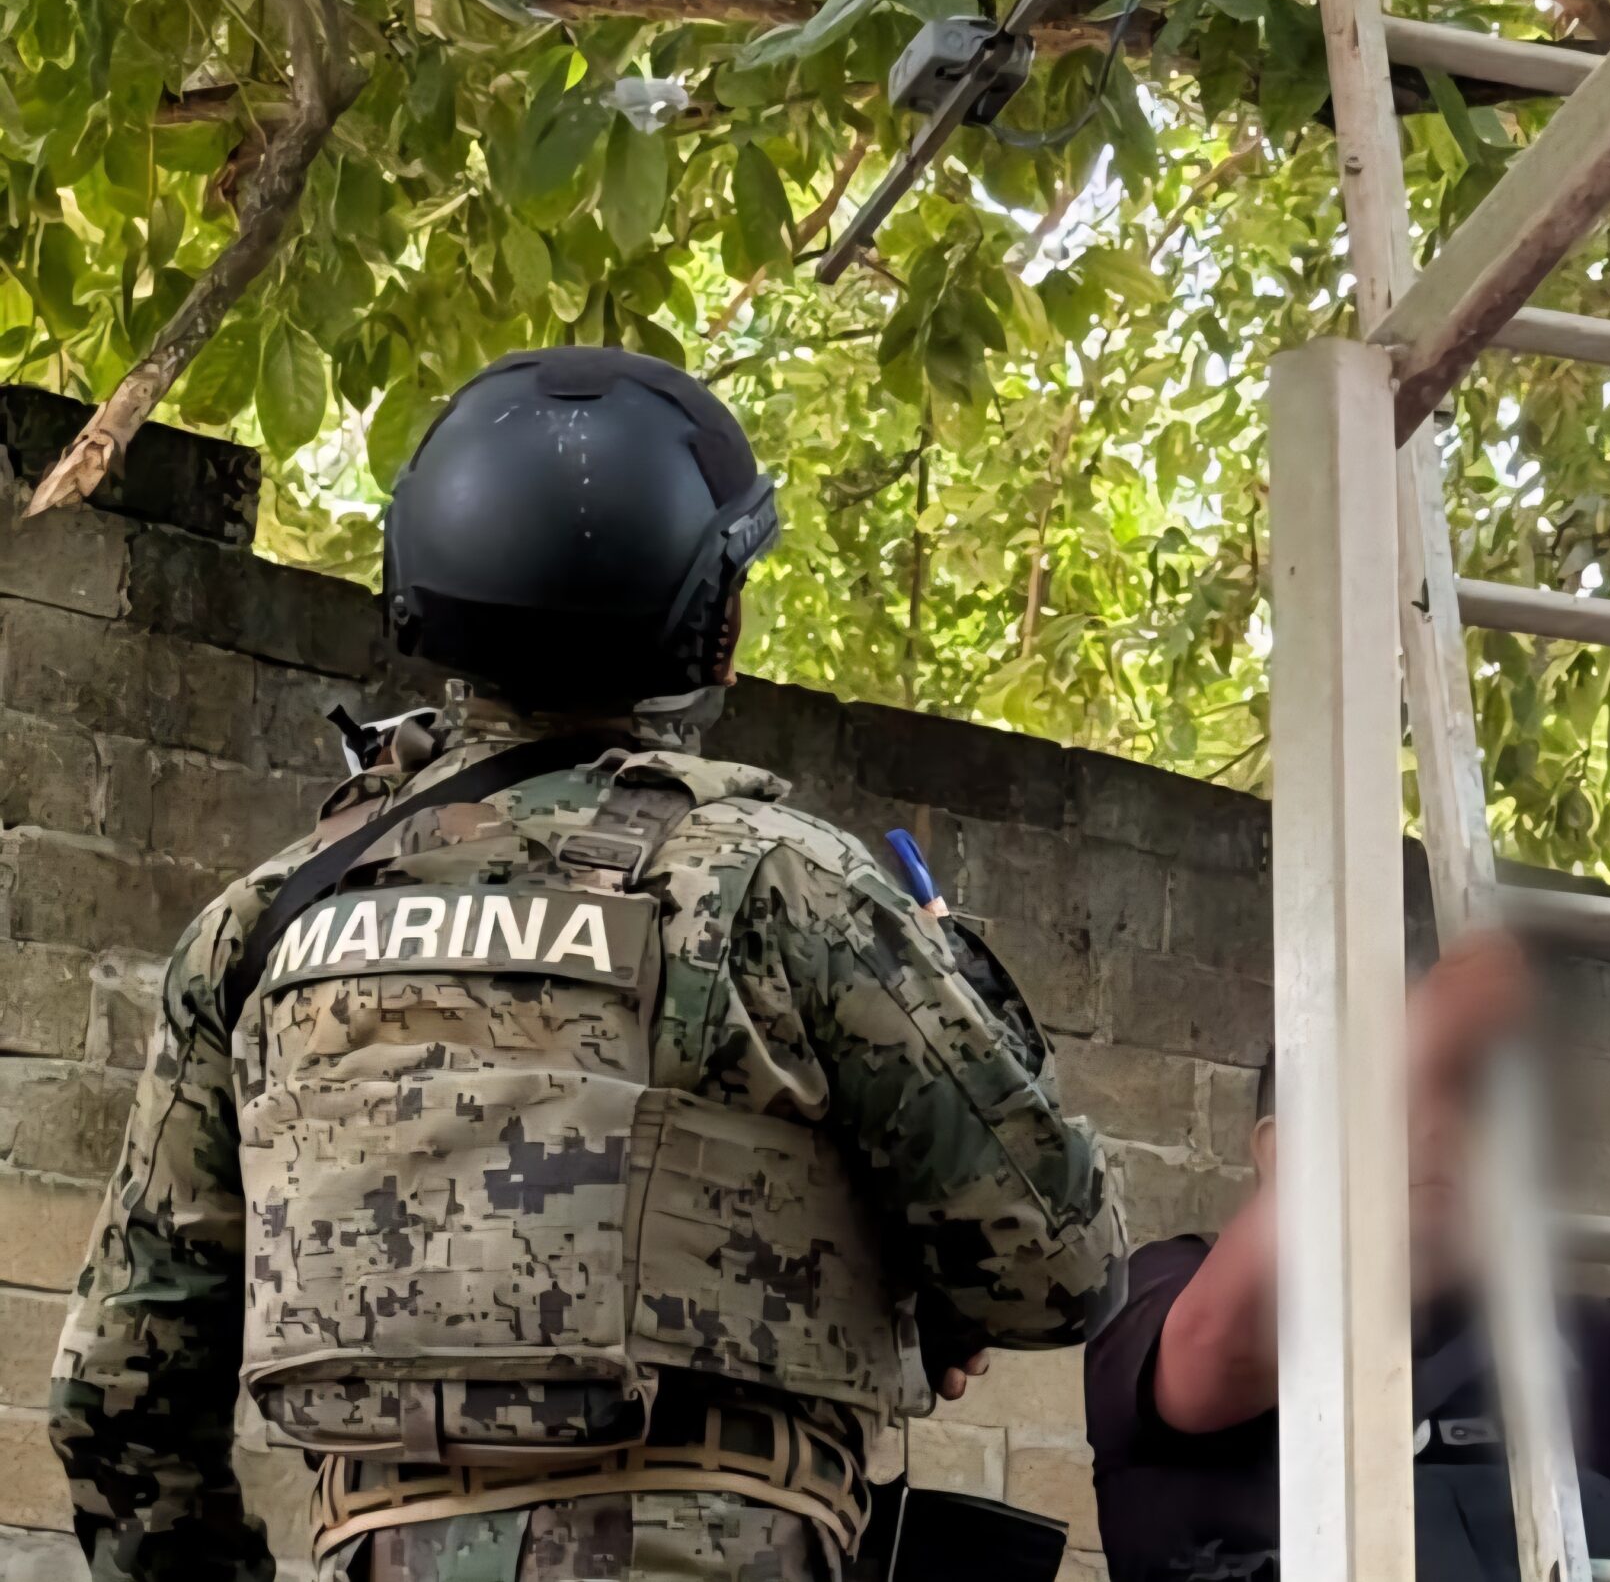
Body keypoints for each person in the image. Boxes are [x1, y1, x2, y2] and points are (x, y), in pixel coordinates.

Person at [49, 346, 1125, 1582]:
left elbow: (121, 1394)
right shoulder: (778, 887)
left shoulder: (266, 926)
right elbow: (1059, 1270)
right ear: (714, 626)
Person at [1085, 933, 1610, 1582]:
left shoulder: (1575, 1334)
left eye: (1461, 1097)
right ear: (1281, 1153)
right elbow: (1214, 1352)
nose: (1435, 1127)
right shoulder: (1164, 1291)